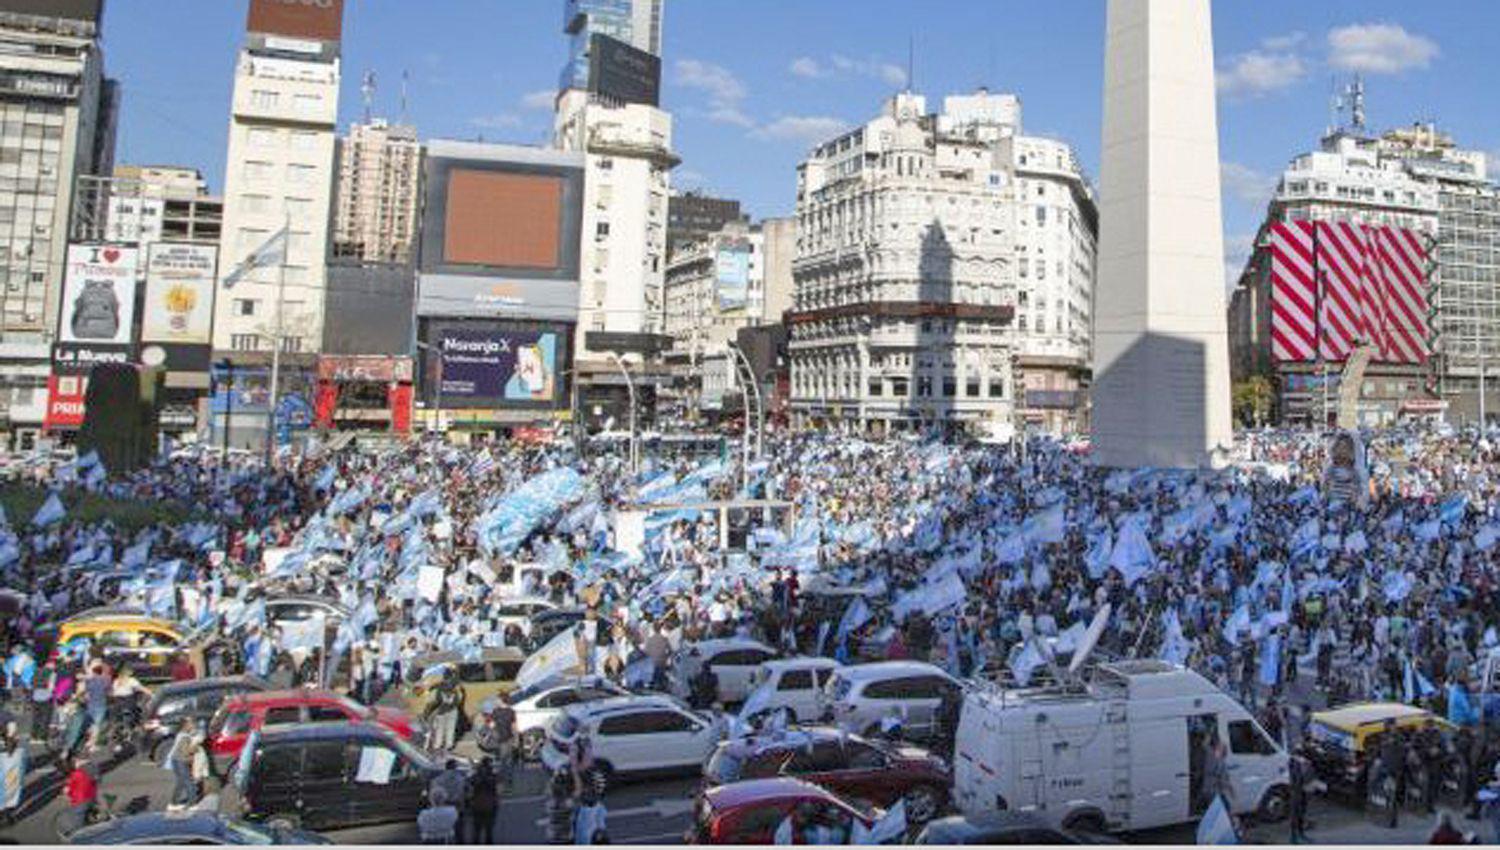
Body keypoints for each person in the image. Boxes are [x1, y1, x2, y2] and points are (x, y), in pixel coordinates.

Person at [425, 670, 464, 752]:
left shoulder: (440, 686)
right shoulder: (455, 686)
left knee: (440, 729)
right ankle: (448, 745)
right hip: (453, 710)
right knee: (450, 728)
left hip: (442, 711)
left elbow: (437, 699)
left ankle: (437, 745)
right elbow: (458, 700)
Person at [168, 717, 201, 808]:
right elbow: (186, 752)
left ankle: (174, 802)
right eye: (192, 724)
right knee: (189, 782)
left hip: (175, 760)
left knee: (180, 781)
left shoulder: (182, 734)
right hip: (181, 761)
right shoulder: (185, 737)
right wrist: (195, 748)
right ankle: (192, 803)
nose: (194, 725)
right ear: (186, 725)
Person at [62, 757, 99, 835]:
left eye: (76, 761)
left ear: (80, 761)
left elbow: (69, 788)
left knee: (77, 819)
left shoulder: (77, 774)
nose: (74, 763)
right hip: (91, 796)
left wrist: (65, 793)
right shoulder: (94, 769)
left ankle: (79, 835)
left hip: (80, 800)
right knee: (86, 816)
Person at [467, 757, 499, 845]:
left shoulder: (476, 775)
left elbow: (471, 784)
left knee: (477, 828)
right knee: (489, 828)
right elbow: (497, 788)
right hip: (490, 803)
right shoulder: (492, 776)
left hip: (477, 803)